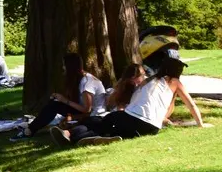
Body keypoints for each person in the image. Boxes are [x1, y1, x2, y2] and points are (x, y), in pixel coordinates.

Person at [53, 57, 203, 145]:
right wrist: (200, 125)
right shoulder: (175, 84)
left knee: (99, 121)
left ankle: (70, 134)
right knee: (109, 128)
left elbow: (137, 98)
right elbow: (190, 104)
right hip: (152, 128)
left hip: (132, 118)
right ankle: (103, 138)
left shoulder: (150, 81)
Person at [15, 53, 107, 138]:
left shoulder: (87, 83)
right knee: (54, 104)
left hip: (94, 115)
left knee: (54, 106)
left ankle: (30, 130)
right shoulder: (78, 80)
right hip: (85, 113)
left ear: (70, 67)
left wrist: (65, 101)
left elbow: (87, 109)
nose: (63, 68)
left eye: (64, 65)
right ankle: (33, 127)